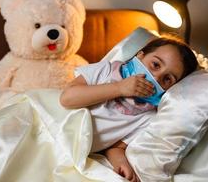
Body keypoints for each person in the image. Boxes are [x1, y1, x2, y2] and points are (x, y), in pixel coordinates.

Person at [60, 35, 198, 182]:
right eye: (155, 65)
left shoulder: (148, 117)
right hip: (50, 123)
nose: (156, 77)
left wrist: (122, 164)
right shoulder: (106, 70)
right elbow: (67, 98)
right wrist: (119, 88)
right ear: (140, 55)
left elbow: (116, 147)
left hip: (72, 151)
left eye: (167, 79)